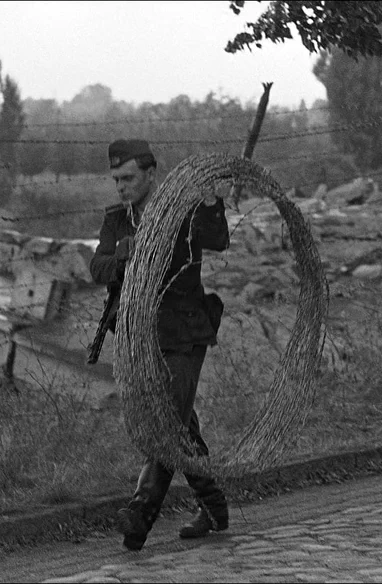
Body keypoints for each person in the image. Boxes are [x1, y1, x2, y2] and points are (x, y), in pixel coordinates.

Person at [89, 138, 231, 551]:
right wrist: (122, 255)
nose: (121, 186)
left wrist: (209, 201)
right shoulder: (118, 220)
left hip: (184, 333)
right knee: (181, 423)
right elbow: (98, 267)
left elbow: (218, 239)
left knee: (167, 422)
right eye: (116, 179)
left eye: (128, 177)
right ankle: (214, 506)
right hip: (139, 338)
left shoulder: (182, 211)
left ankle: (140, 514)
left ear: (151, 175)